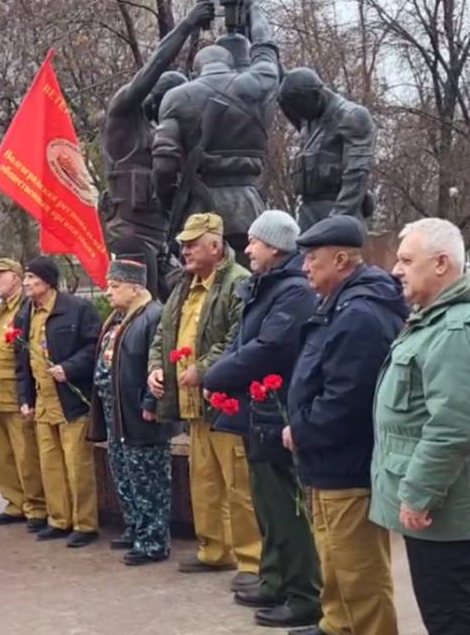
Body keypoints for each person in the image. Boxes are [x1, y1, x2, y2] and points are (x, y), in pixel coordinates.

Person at [371, 218, 470, 635]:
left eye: (407, 260)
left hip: (445, 505)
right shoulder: (437, 318)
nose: (396, 269)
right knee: (456, 606)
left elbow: (454, 425)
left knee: (455, 614)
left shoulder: (457, 328)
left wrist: (418, 494)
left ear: (441, 264)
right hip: (444, 503)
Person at [282, 215, 407, 635]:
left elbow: (346, 399)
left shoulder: (361, 316)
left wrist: (301, 429)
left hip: (348, 464)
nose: (304, 268)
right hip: (328, 461)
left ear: (340, 260)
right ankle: (337, 625)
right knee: (334, 557)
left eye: (311, 259)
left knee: (361, 571)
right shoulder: (340, 304)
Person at [202, 210, 322, 629]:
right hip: (259, 410)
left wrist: (213, 374)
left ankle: (304, 592)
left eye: (253, 242)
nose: (247, 249)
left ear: (274, 246)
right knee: (267, 505)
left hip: (278, 409)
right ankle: (274, 579)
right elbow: (242, 340)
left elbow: (269, 348)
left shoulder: (292, 292)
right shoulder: (265, 287)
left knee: (285, 507)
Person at [146, 213, 261, 593]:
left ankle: (252, 559)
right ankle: (214, 550)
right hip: (193, 405)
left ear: (215, 245)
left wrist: (204, 369)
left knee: (238, 486)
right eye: (183, 244)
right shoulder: (182, 284)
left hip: (224, 402)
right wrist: (154, 369)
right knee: (205, 483)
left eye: (193, 244)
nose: (184, 250)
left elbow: (237, 338)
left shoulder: (238, 283)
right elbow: (164, 333)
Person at [152, 0, 280, 267]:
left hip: (199, 210)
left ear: (197, 69)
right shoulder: (258, 85)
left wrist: (172, 204)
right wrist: (255, 10)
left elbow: (164, 166)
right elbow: (266, 49)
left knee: (202, 291)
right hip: (250, 208)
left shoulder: (176, 98)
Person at [101, 1, 214, 299]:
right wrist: (187, 25)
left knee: (187, 303)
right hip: (130, 236)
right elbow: (154, 66)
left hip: (163, 241)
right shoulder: (123, 115)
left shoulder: (164, 135)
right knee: (142, 312)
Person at [88, 257, 178, 566]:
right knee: (124, 474)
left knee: (148, 478)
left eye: (115, 286)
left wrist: (151, 404)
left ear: (135, 287)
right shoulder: (118, 317)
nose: (108, 293)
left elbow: (161, 364)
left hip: (141, 413)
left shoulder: (154, 316)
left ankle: (153, 540)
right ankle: (136, 527)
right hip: (117, 413)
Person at [15, 257, 102, 548]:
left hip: (71, 403)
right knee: (50, 465)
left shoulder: (78, 309)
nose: (26, 283)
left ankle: (84, 524)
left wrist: (70, 367)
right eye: (25, 278)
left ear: (48, 281)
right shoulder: (26, 313)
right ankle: (58, 519)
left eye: (31, 277)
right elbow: (22, 360)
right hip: (42, 403)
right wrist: (25, 397)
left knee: (77, 465)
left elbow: (95, 347)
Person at [0, 258, 48, 532]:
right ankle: (14, 504)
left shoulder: (27, 308)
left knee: (26, 455)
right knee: (2, 456)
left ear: (16, 277)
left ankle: (36, 507)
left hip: (17, 395)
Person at [277, 67, 377, 232]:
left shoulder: (351, 116)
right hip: (308, 210)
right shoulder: (308, 118)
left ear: (316, 96)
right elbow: (280, 82)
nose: (297, 114)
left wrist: (338, 219)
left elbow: (357, 173)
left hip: (338, 208)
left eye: (300, 108)